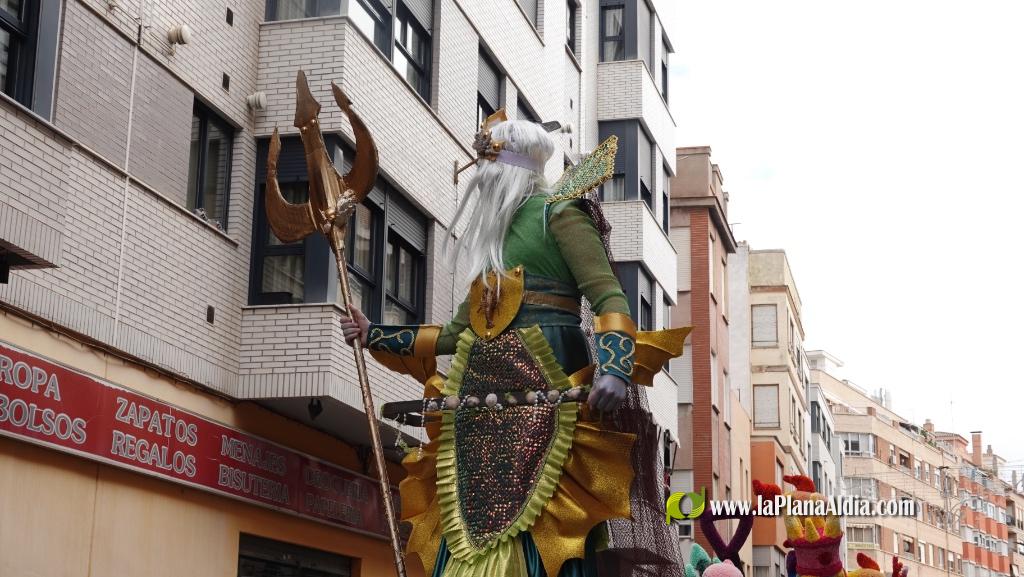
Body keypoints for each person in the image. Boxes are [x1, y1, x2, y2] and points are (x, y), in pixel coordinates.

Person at [340, 113, 653, 577]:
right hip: (478, 406)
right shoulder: (492, 242)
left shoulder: (560, 214)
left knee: (543, 520)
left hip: (548, 395)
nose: (479, 176)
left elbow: (608, 295)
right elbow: (453, 334)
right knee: (469, 527)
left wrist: (615, 367)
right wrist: (374, 334)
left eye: (487, 165)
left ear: (507, 168)